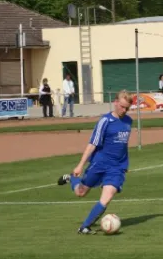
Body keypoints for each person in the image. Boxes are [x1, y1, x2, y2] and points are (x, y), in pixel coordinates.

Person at [56, 90, 133, 234]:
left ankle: (84, 226)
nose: (124, 110)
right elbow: (92, 144)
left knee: (108, 196)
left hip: (117, 167)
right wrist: (80, 165)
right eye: (122, 106)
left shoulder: (128, 121)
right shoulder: (105, 121)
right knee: (81, 193)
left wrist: (125, 164)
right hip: (100, 163)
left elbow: (122, 145)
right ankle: (72, 178)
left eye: (127, 108)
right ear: (115, 102)